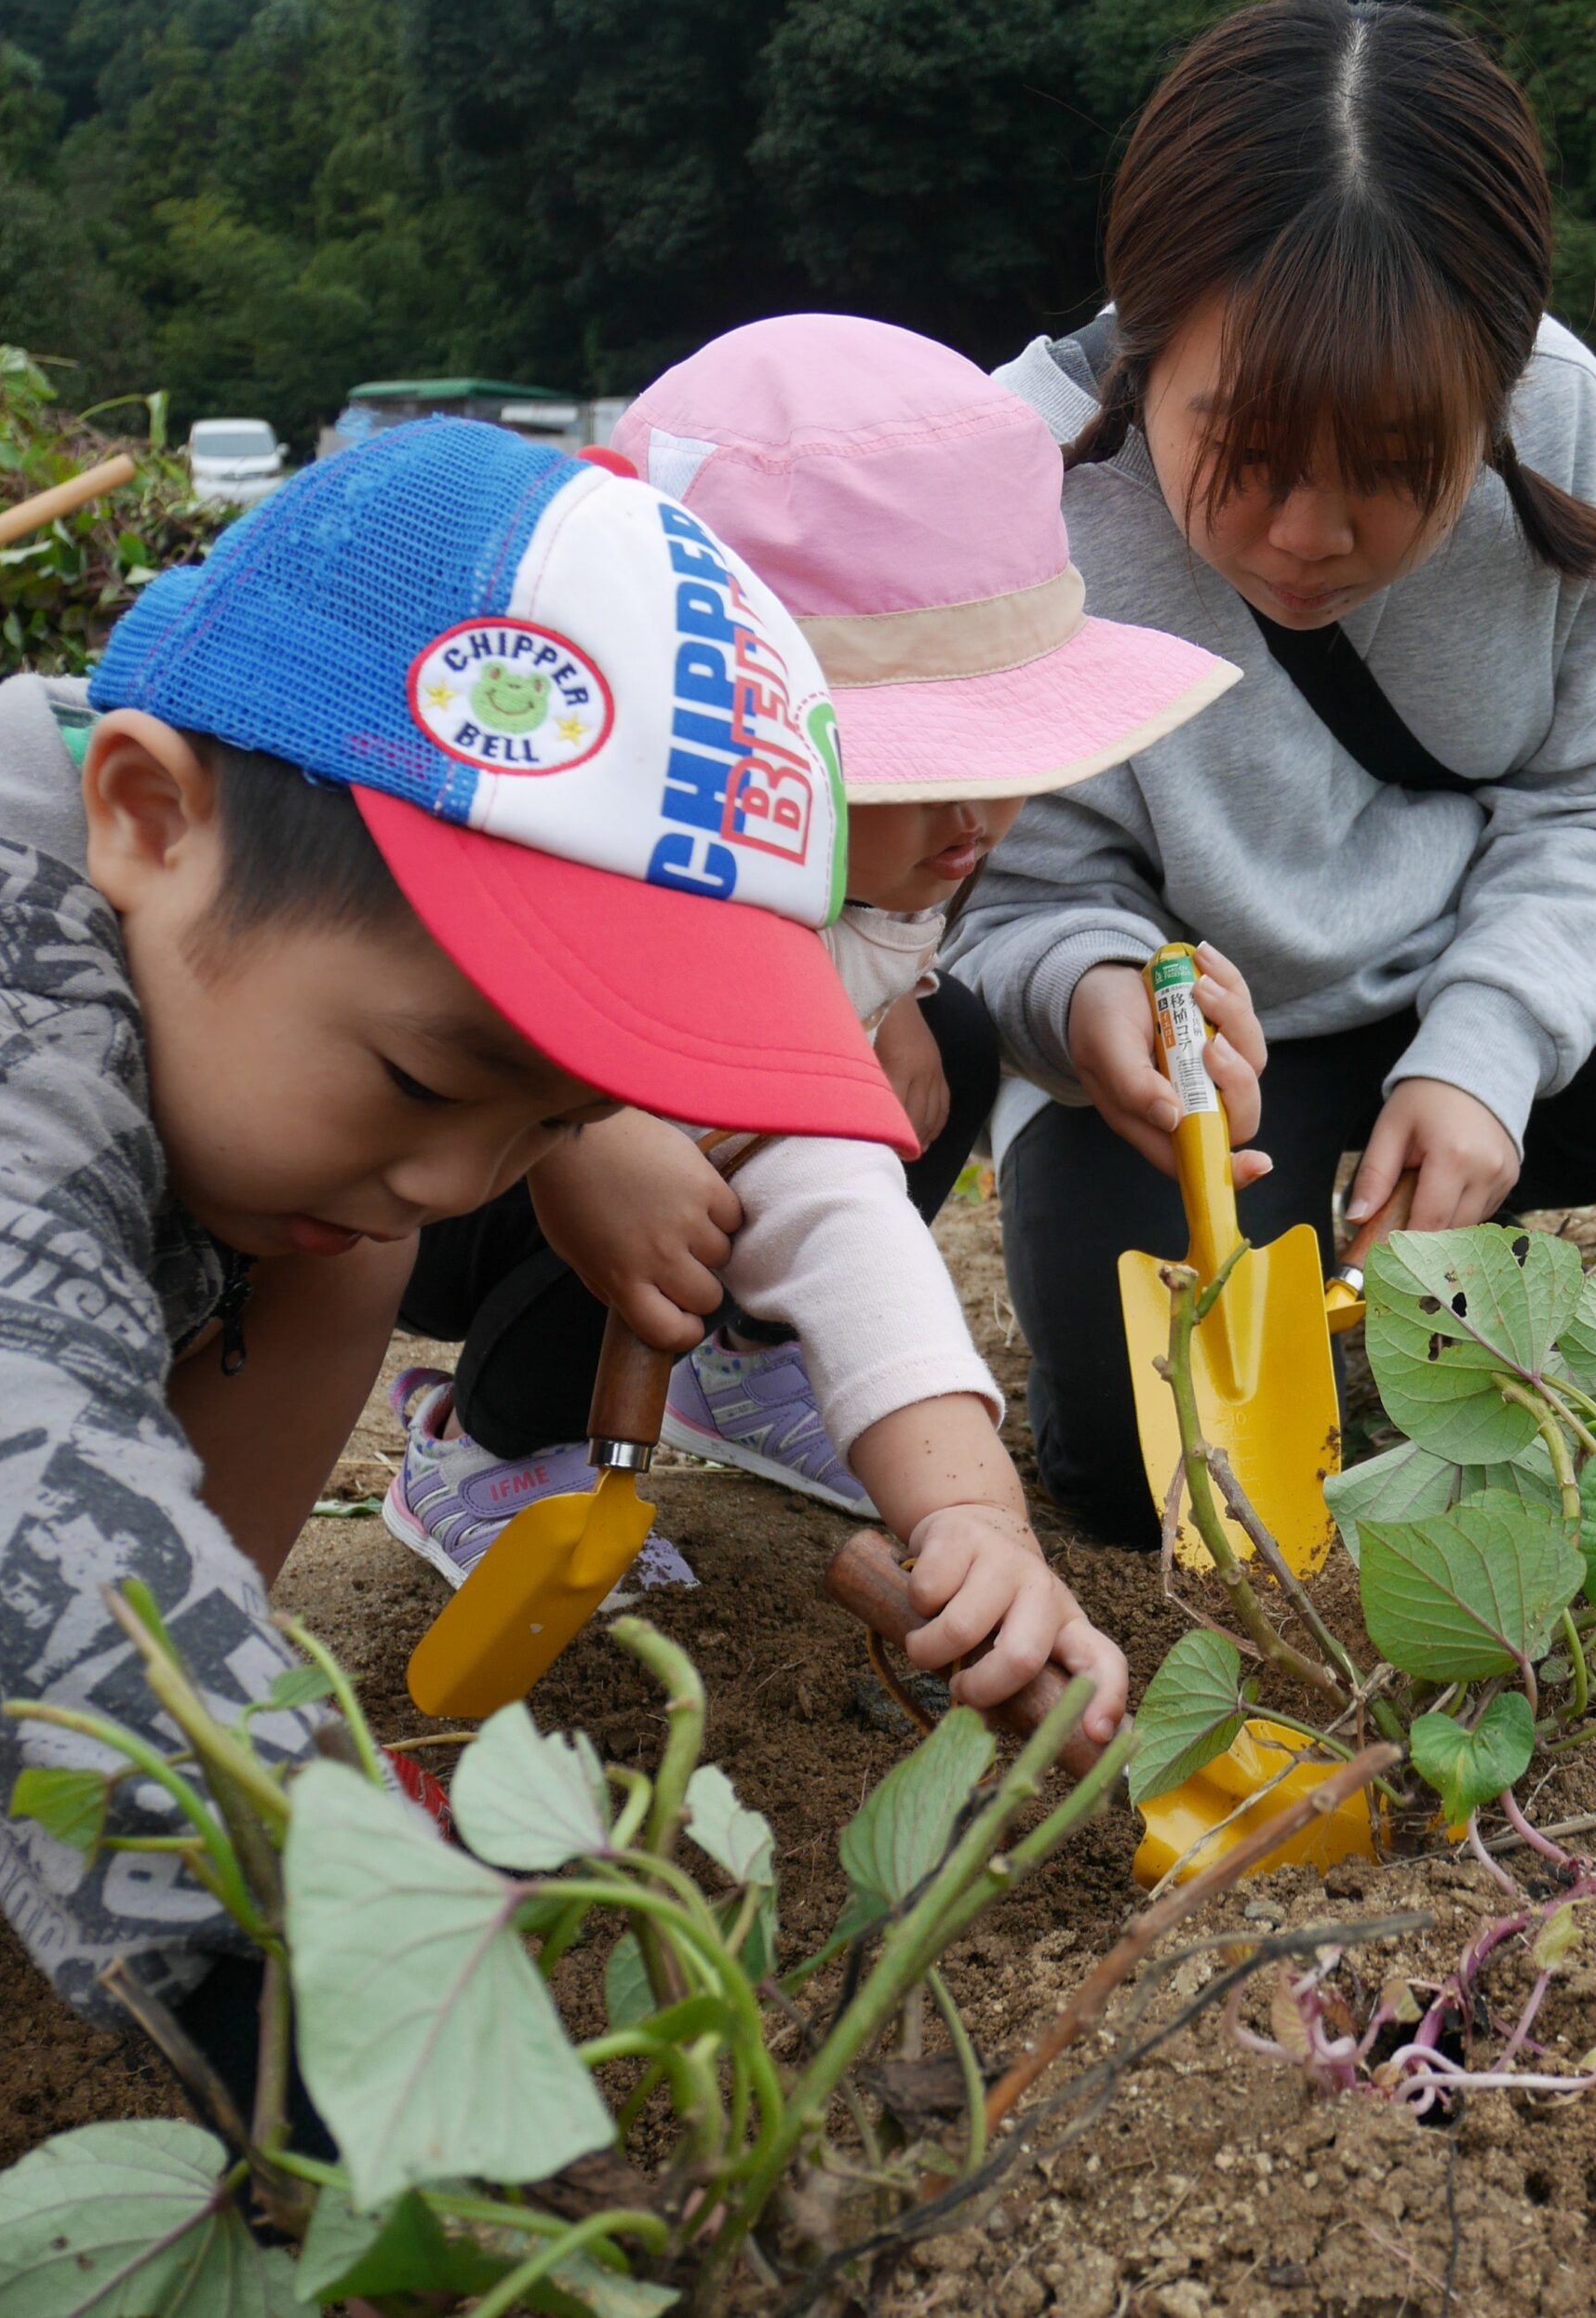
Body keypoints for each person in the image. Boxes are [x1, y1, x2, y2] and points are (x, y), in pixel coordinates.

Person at [0, 415, 917, 2134]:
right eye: (429, 1081)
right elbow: (6, 1475)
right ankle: (186, 1764)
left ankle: (199, 1723)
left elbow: (376, 1075)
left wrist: (529, 1103)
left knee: (338, 1223)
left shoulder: (198, 891)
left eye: (550, 1120)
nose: (470, 1181)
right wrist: (326, 1993)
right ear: (146, 819)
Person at [946, 0, 1596, 1547]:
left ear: (1492, 392)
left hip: (1471, 958)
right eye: (1248, 452)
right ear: (1145, 343)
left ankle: (1432, 1187)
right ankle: (1307, 1254)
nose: (1308, 533)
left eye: (1392, 463)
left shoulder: (1565, 420)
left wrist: (1485, 1052)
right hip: (1203, 1060)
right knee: (1132, 1484)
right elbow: (995, 883)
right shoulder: (1008, 482)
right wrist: (1090, 1000)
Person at [394, 315, 1244, 1733]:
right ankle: (484, 1444)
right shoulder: (578, 841)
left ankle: (739, 1373)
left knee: (943, 1045)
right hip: (448, 1177)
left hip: (703, 1128)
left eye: (1005, 755)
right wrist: (575, 1133)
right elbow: (422, 998)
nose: (979, 816)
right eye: (910, 765)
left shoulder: (899, 857)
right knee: (692, 1169)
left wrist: (975, 1516)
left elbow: (837, 1175)